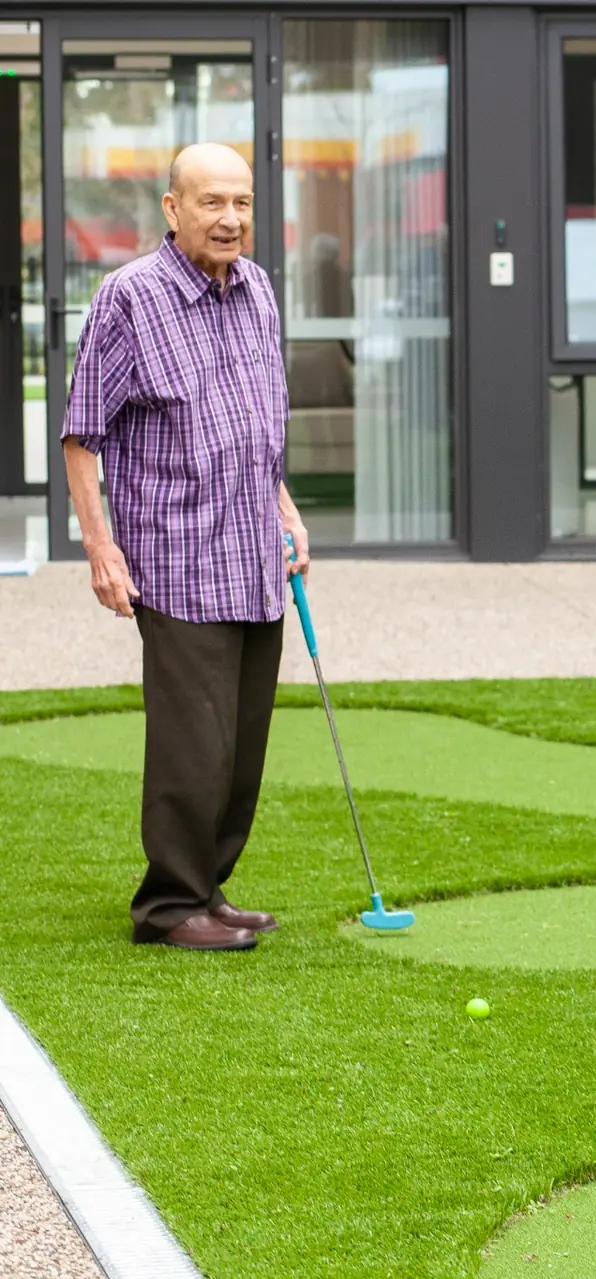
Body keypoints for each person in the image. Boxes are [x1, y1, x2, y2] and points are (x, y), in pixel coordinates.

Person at [62, 142, 309, 952]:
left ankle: (210, 886)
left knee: (241, 748)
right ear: (173, 210)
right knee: (192, 745)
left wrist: (286, 506)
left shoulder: (261, 289)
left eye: (240, 202)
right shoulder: (128, 298)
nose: (230, 218)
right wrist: (101, 548)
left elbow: (258, 425)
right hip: (175, 559)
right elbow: (81, 435)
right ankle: (169, 907)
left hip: (254, 556)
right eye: (211, 202)